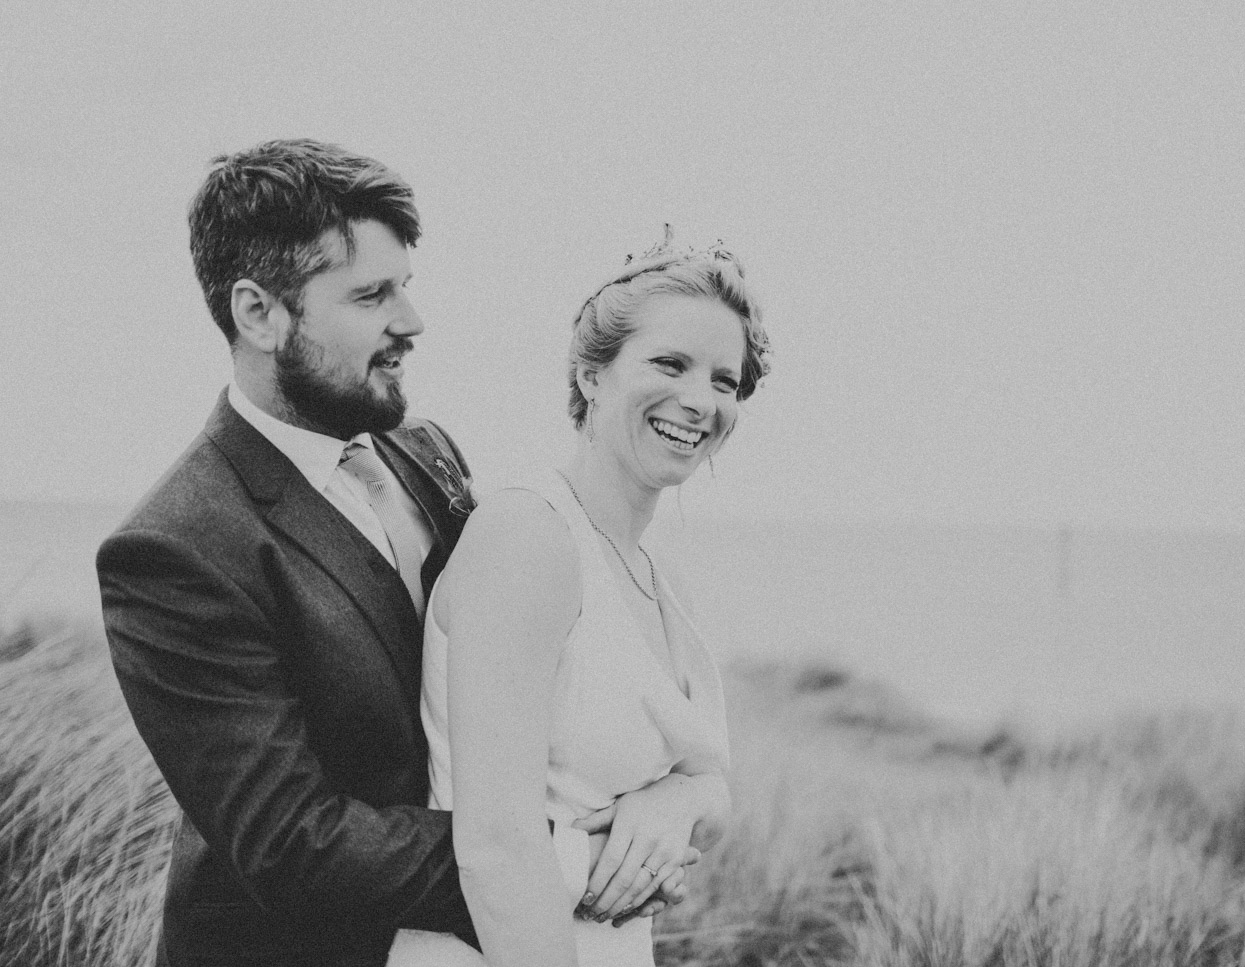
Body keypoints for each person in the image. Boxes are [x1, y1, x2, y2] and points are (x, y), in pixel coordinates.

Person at [95, 140, 682, 967]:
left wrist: (662, 799)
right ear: (259, 313)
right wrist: (552, 857)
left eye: (405, 286)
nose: (411, 321)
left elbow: (519, 679)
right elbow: (292, 841)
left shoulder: (425, 452)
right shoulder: (172, 549)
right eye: (372, 295)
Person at [387, 230, 770, 967]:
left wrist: (679, 801)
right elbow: (497, 851)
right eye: (669, 363)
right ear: (591, 374)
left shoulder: (660, 578)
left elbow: (708, 777)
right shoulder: (528, 537)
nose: (700, 401)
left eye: (726, 380)